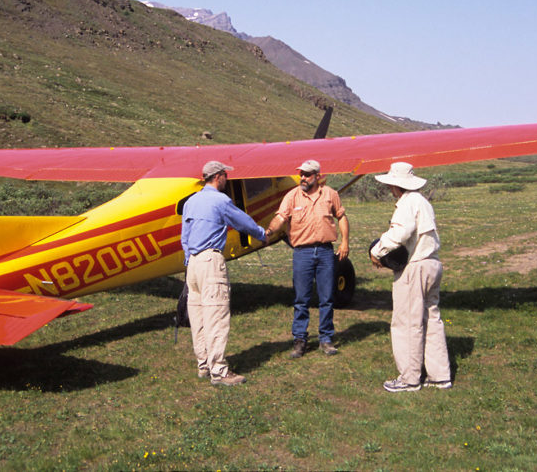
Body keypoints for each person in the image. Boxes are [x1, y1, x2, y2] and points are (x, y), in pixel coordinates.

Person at [181, 160, 266, 387]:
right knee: (216, 315)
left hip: (193, 265)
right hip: (210, 261)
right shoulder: (220, 200)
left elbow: (185, 237)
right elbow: (243, 222)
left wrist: (189, 260)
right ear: (218, 177)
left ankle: (203, 365)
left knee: (198, 318)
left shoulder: (191, 202)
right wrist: (262, 233)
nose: (227, 180)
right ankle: (219, 371)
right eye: (225, 176)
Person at [369, 162, 451, 392]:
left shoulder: (407, 204)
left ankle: (409, 378)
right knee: (431, 318)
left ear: (396, 185)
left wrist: (376, 252)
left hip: (415, 267)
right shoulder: (423, 202)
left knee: (407, 322)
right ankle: (439, 375)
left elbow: (400, 232)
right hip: (432, 263)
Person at [265, 159, 350, 358]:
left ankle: (326, 339)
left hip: (325, 252)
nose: (303, 177)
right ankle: (300, 340)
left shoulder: (330, 194)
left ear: (317, 176)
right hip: (302, 253)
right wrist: (268, 232)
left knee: (327, 297)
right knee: (301, 299)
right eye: (301, 174)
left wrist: (345, 242)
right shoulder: (292, 196)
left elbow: (341, 217)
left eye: (307, 174)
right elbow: (280, 218)